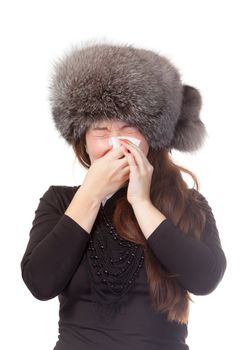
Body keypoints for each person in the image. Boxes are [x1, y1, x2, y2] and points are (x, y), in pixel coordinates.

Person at [20, 42, 227, 350]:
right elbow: (40, 283)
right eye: (101, 130)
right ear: (84, 143)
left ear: (152, 137)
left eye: (128, 128)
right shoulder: (61, 202)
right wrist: (91, 193)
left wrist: (142, 203)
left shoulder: (188, 204)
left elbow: (205, 279)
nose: (115, 143)